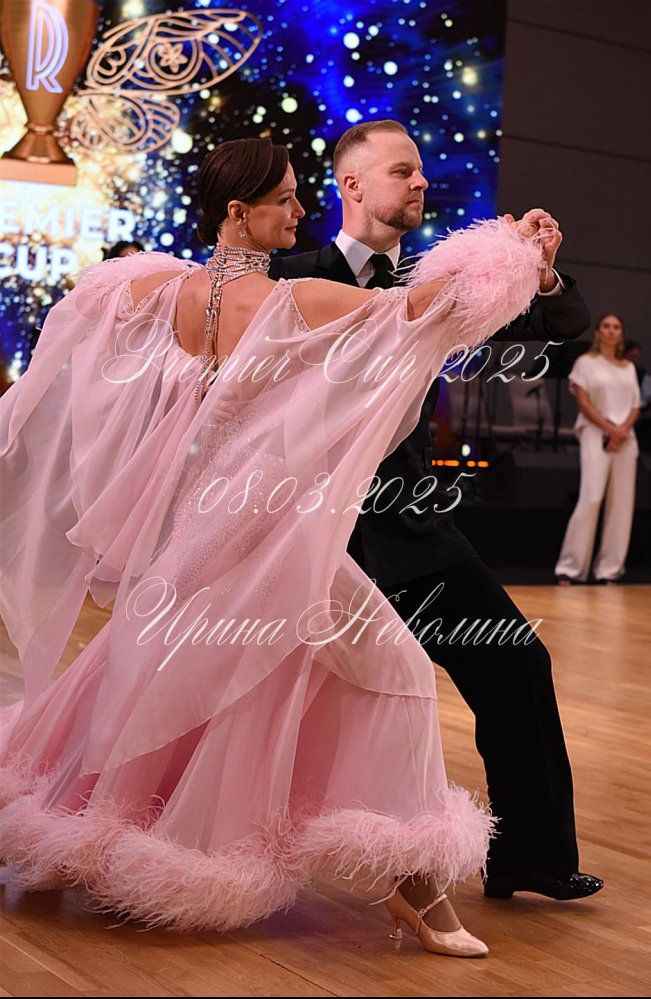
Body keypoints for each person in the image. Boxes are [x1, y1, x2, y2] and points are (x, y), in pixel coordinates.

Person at [1, 137, 547, 952]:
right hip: (264, 539)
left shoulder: (158, 291)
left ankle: (109, 835)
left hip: (196, 539)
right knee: (393, 668)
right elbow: (426, 309)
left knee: (169, 675)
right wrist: (514, 250)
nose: (298, 210)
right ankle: (415, 887)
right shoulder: (292, 301)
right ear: (238, 212)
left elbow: (84, 316)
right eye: (284, 198)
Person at [271, 120, 603, 901]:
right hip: (308, 540)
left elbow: (562, 329)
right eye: (402, 171)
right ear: (352, 185)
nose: (421, 181)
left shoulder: (443, 281)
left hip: (412, 533)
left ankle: (530, 856)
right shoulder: (288, 276)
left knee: (518, 661)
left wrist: (539, 273)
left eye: (421, 171)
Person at [555, 313, 640, 585]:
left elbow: (635, 405)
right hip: (595, 433)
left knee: (622, 504)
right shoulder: (586, 363)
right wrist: (610, 429)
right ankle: (570, 567)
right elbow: (584, 403)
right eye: (606, 326)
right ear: (598, 332)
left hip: (625, 438)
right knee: (591, 497)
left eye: (616, 327)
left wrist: (621, 431)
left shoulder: (628, 367)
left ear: (621, 334)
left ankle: (609, 570)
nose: (611, 331)